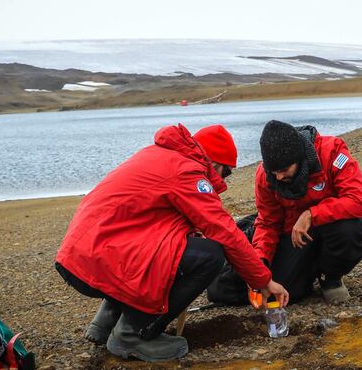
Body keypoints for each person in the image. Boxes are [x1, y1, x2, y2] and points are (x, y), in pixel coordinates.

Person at [55, 123, 289, 362]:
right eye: (226, 172)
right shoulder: (187, 171)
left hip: (80, 256)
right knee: (210, 255)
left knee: (173, 247)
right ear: (215, 163)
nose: (224, 179)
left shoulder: (158, 155)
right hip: (99, 260)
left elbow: (152, 222)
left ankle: (105, 322)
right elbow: (224, 231)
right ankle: (133, 333)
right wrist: (263, 280)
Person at [252, 120, 362, 304]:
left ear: (299, 158)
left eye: (284, 170)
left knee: (349, 228)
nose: (279, 177)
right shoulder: (265, 176)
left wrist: (311, 214)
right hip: (295, 238)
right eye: (274, 172)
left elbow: (357, 200)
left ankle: (330, 277)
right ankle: (309, 270)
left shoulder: (332, 151)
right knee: (285, 292)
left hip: (331, 228)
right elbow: (268, 222)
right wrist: (261, 264)